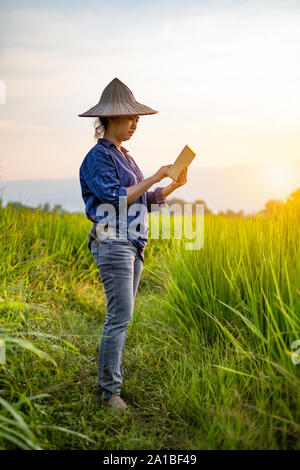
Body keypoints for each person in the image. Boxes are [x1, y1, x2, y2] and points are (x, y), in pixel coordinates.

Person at [78, 78, 187, 410]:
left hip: (133, 241)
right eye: (129, 119)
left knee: (122, 316)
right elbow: (115, 198)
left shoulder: (125, 156)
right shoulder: (99, 157)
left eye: (137, 119)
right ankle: (109, 393)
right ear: (110, 119)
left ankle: (111, 384)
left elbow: (144, 200)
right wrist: (153, 177)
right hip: (113, 240)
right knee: (119, 316)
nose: (134, 124)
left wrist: (170, 186)